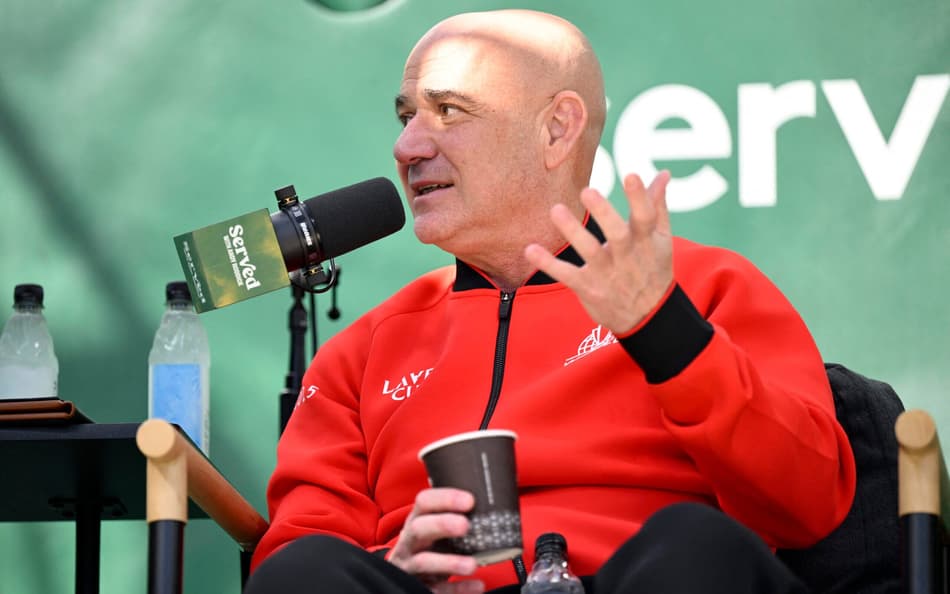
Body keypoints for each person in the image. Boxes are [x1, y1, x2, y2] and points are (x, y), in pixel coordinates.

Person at [245, 9, 856, 594]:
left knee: (694, 544)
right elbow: (294, 553)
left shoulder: (703, 287)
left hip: (639, 580)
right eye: (406, 117)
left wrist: (664, 330)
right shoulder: (366, 350)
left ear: (557, 128)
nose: (407, 147)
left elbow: (809, 503)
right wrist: (395, 568)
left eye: (449, 110)